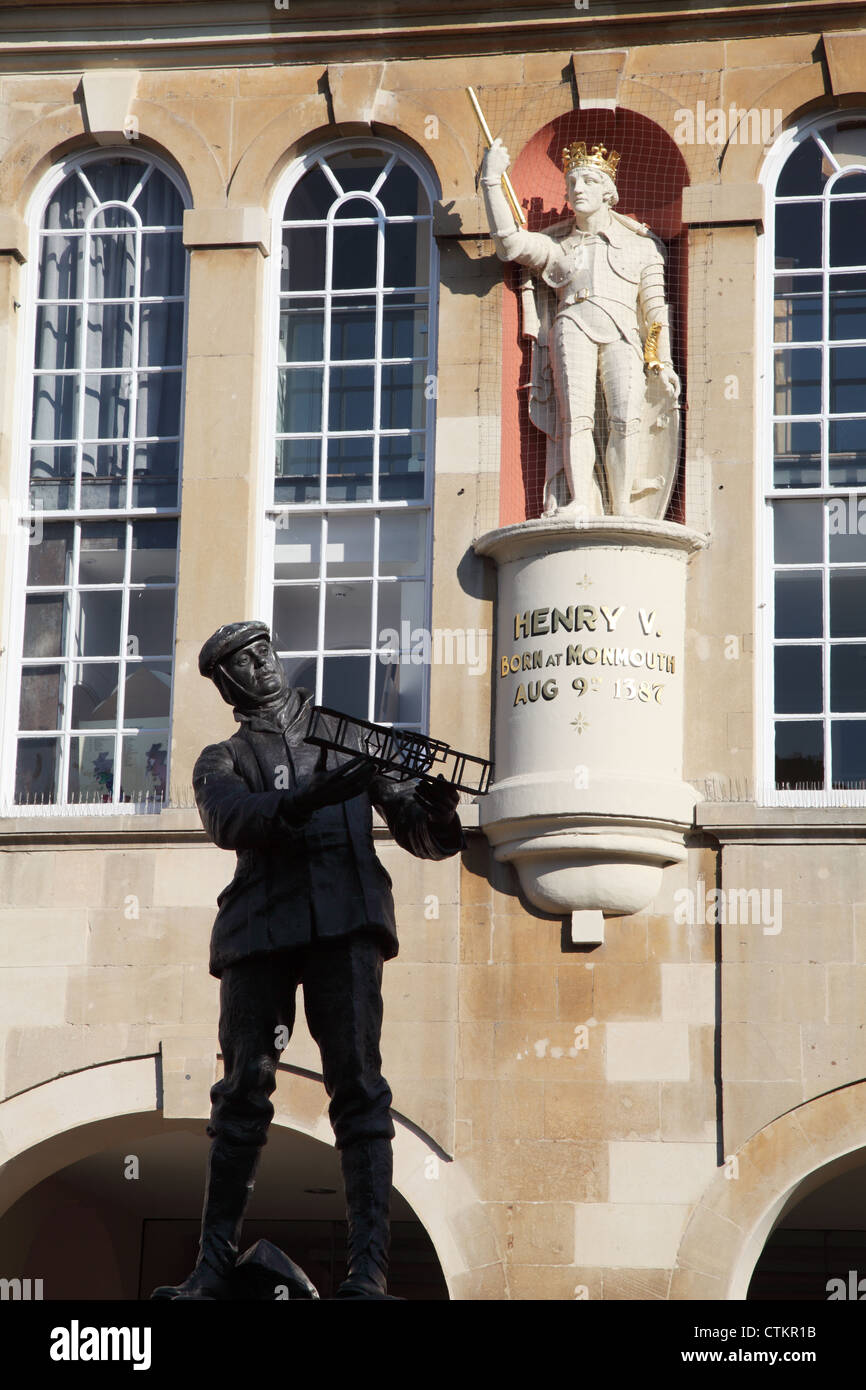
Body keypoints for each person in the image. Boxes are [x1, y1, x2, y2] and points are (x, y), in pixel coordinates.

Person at [152, 620, 462, 1300]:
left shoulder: (349, 737)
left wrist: (439, 817)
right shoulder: (220, 759)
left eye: (262, 651)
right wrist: (308, 799)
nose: (258, 666)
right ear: (225, 684)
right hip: (260, 927)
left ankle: (368, 1272)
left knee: (358, 1090)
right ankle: (210, 1268)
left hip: (345, 917)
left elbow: (417, 829)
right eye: (239, 663)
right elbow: (230, 821)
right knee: (241, 1096)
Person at [480, 137, 680, 517]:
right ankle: (581, 501)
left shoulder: (642, 247)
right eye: (572, 183)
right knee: (578, 419)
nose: (577, 189)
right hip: (572, 326)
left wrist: (663, 362)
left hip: (624, 334)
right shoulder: (560, 246)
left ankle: (622, 509)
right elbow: (509, 244)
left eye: (587, 181)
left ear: (609, 191)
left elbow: (655, 311)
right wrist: (492, 180)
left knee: (625, 419)